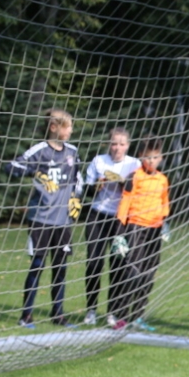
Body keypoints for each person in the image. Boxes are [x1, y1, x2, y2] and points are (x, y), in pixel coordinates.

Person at [5, 107, 83, 329]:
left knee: (61, 267)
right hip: (41, 219)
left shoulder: (72, 152)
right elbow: (11, 167)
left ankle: (58, 314)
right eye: (67, 126)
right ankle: (26, 315)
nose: (70, 130)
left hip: (63, 221)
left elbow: (78, 178)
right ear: (54, 127)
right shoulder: (39, 151)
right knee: (37, 265)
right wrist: (37, 173)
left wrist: (76, 198)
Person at [108, 137, 170, 331]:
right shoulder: (135, 176)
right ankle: (120, 316)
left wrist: (165, 224)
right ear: (142, 157)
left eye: (155, 157)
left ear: (161, 158)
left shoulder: (162, 179)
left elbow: (164, 204)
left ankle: (138, 316)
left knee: (147, 275)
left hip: (155, 230)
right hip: (135, 227)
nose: (151, 161)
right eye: (148, 157)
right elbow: (125, 201)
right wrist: (120, 231)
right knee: (131, 272)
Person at [82, 126, 140, 326]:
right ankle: (91, 310)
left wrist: (125, 184)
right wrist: (96, 186)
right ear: (109, 144)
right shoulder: (99, 161)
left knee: (118, 265)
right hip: (97, 216)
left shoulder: (134, 164)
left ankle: (112, 312)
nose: (117, 148)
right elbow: (85, 191)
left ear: (128, 146)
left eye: (121, 144)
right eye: (114, 143)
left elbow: (138, 191)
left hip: (120, 220)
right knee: (94, 263)